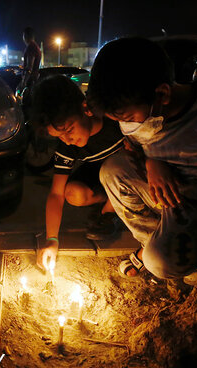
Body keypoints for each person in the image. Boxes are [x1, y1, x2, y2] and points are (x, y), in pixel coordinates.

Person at [87, 37, 197, 289]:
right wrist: (151, 164)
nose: (128, 126)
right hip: (168, 194)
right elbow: (133, 149)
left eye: (129, 117)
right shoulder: (138, 118)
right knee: (112, 171)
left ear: (162, 94)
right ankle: (152, 240)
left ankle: (181, 256)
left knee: (160, 264)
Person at [32, 75, 124, 271]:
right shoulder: (67, 148)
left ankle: (110, 212)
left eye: (69, 129)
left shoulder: (115, 123)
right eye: (59, 136)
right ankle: (108, 200)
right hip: (100, 176)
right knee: (72, 192)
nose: (67, 140)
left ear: (85, 109)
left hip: (126, 171)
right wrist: (52, 240)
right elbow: (56, 194)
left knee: (115, 168)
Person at [19, 27, 41, 96]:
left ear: (25, 36)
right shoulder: (36, 47)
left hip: (30, 82)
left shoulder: (31, 47)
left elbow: (29, 67)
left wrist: (24, 82)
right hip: (33, 81)